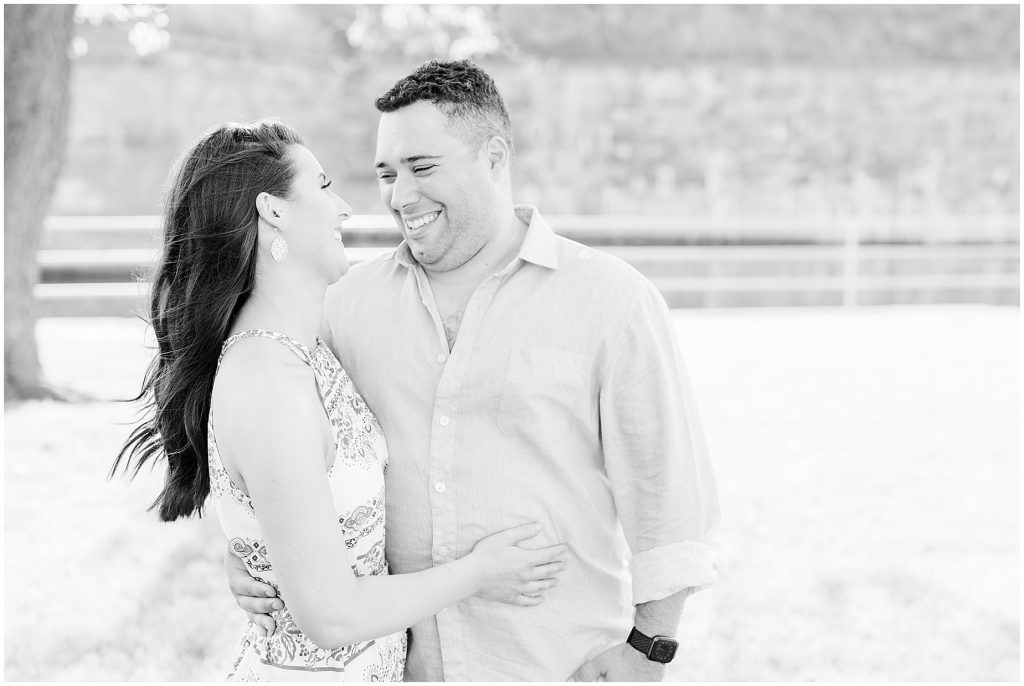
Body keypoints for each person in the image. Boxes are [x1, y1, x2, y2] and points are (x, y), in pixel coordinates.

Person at [226, 60, 720, 681]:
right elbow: (276, 450)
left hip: (557, 667)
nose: (400, 195)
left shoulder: (613, 301)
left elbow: (670, 501)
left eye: (422, 167)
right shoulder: (344, 305)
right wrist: (249, 550)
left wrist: (649, 653)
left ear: (493, 156)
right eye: (387, 173)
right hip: (398, 671)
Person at [112, 120, 570, 681]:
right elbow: (329, 614)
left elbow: (286, 512)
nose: (345, 208)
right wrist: (483, 571)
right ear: (273, 211)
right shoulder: (268, 388)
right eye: (323, 186)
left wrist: (258, 551)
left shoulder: (303, 350)